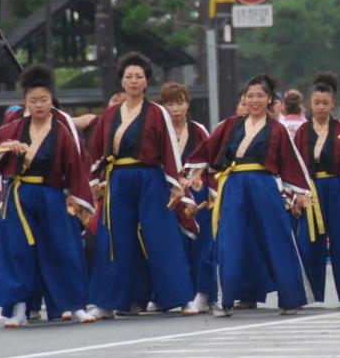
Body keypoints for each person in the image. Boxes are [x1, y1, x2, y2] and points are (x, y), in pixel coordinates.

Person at [186, 74, 314, 316]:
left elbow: (291, 161)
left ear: (269, 99)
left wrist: (299, 193)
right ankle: (225, 300)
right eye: (250, 96)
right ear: (244, 98)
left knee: (277, 237)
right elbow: (208, 149)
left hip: (264, 185)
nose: (254, 100)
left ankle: (291, 297)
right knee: (229, 240)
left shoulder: (278, 129)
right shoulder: (230, 125)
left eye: (260, 96)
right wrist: (196, 172)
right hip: (233, 185)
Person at [0, 65, 97, 327]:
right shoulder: (12, 129)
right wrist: (6, 147)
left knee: (63, 249)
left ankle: (75, 305)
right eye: (33, 100)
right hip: (20, 195)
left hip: (52, 195)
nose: (39, 105)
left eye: (43, 99)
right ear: (25, 102)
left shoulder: (61, 131)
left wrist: (78, 199)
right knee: (18, 251)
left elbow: (75, 167)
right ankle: (20, 308)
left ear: (51, 100)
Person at [87, 52, 194, 318]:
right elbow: (97, 150)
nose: (134, 81)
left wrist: (175, 184)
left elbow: (169, 149)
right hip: (118, 178)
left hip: (150, 177)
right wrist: (94, 180)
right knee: (115, 238)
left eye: (139, 76)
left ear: (146, 81)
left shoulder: (157, 112)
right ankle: (109, 302)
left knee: (161, 236)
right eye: (129, 76)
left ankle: (181, 298)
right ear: (122, 81)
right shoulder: (110, 114)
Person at [293, 72, 340, 304]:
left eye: (325, 103)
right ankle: (312, 295)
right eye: (317, 102)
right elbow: (295, 164)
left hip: (338, 186)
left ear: (333, 104)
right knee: (310, 242)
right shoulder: (301, 131)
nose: (321, 107)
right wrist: (297, 194)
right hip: (311, 189)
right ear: (310, 104)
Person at [159, 82, 216, 315]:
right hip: (169, 193)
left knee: (199, 243)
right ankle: (168, 295)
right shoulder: (159, 129)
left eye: (179, 103)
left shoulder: (199, 130)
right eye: (170, 103)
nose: (175, 109)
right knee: (170, 245)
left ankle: (202, 293)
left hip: (196, 193)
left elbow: (211, 160)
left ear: (188, 104)